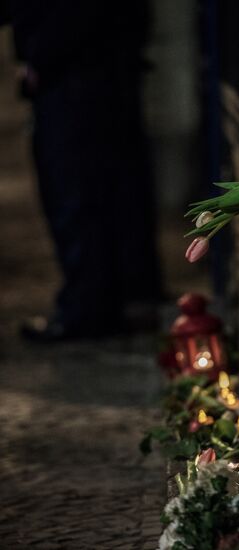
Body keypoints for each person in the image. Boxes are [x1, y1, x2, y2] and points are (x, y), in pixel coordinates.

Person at [2, 1, 161, 340]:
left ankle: (88, 308)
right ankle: (111, 298)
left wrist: (42, 56)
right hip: (94, 62)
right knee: (99, 189)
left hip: (74, 68)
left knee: (76, 191)